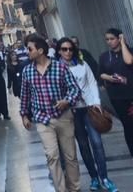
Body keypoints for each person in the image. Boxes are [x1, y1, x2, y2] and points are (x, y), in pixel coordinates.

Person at [20, 34, 81, 192]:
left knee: (70, 156)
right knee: (52, 156)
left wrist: (67, 100)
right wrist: (24, 115)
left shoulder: (60, 67)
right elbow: (25, 94)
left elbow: (74, 89)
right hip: (42, 119)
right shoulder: (27, 71)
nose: (28, 52)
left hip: (64, 117)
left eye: (30, 49)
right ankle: (61, 189)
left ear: (40, 50)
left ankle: (74, 188)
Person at [56, 38, 119, 192]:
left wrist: (96, 102)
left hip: (89, 108)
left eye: (70, 49)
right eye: (64, 49)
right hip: (72, 112)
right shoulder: (56, 69)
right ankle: (94, 178)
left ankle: (104, 177)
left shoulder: (82, 64)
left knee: (97, 143)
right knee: (83, 146)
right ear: (59, 51)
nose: (68, 52)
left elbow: (91, 83)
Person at [99, 28, 133, 156]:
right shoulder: (104, 56)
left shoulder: (129, 51)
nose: (109, 42)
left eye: (112, 39)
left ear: (119, 38)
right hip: (117, 96)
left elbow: (129, 62)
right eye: (107, 39)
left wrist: (123, 44)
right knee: (128, 125)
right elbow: (101, 74)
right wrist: (110, 78)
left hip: (131, 93)